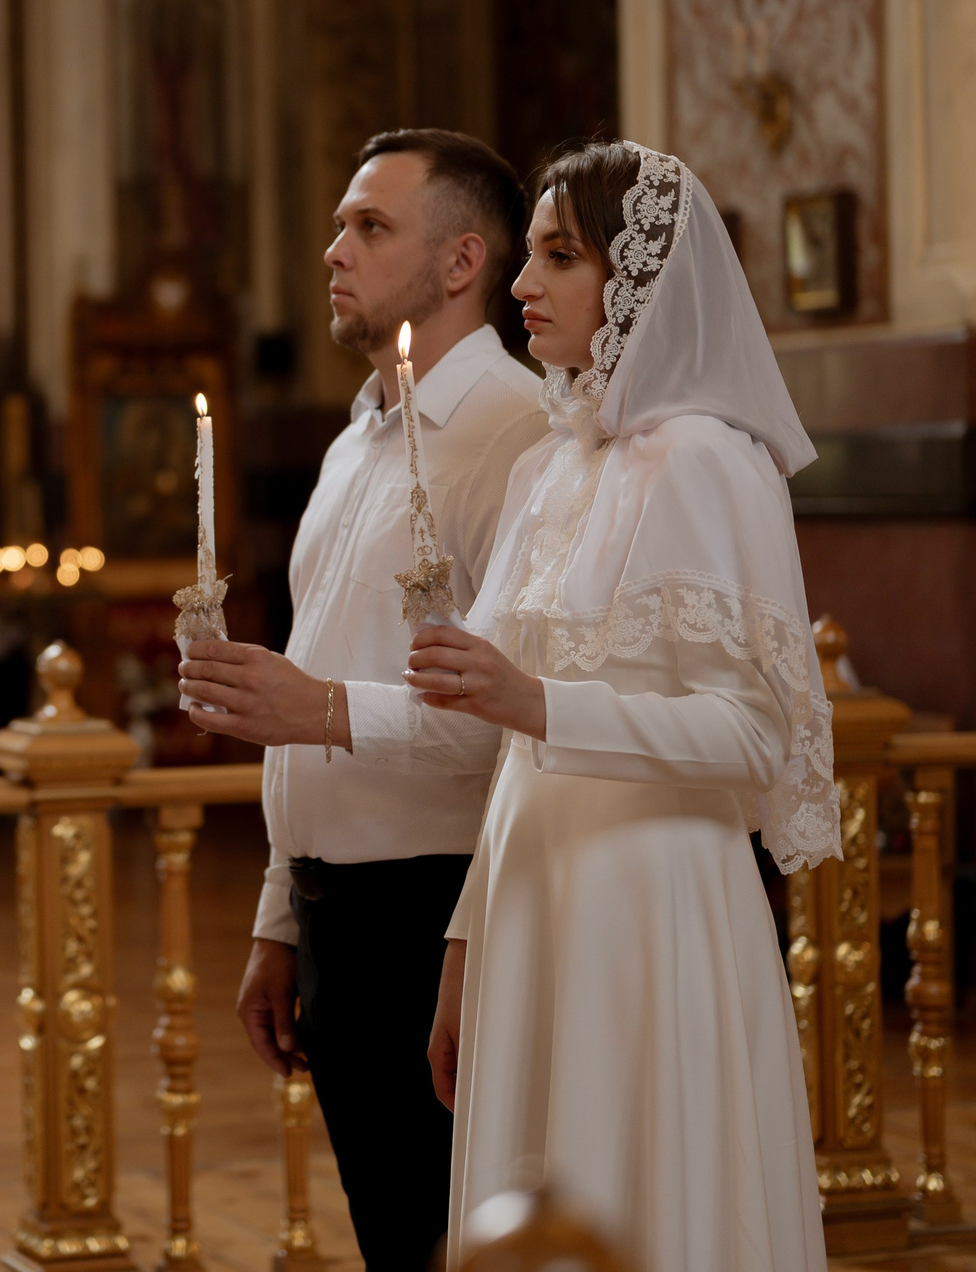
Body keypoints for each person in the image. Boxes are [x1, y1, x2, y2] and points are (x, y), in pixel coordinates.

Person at [182, 138, 834, 1271]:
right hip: (529, 891)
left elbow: (753, 739)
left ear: (638, 280)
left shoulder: (706, 462)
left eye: (558, 257)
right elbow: (511, 757)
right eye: (528, 255)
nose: (524, 286)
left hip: (650, 896)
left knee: (642, 1201)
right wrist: (463, 946)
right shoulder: (560, 465)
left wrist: (538, 700)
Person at [178, 128, 552, 1271]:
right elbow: (312, 684)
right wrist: (280, 912)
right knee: (397, 1237)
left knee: (466, 1240)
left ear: (459, 262)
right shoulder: (354, 442)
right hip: (338, 911)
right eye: (341, 222)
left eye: (369, 225)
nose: (333, 246)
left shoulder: (519, 437)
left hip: (446, 905)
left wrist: (324, 707)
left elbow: (522, 723)